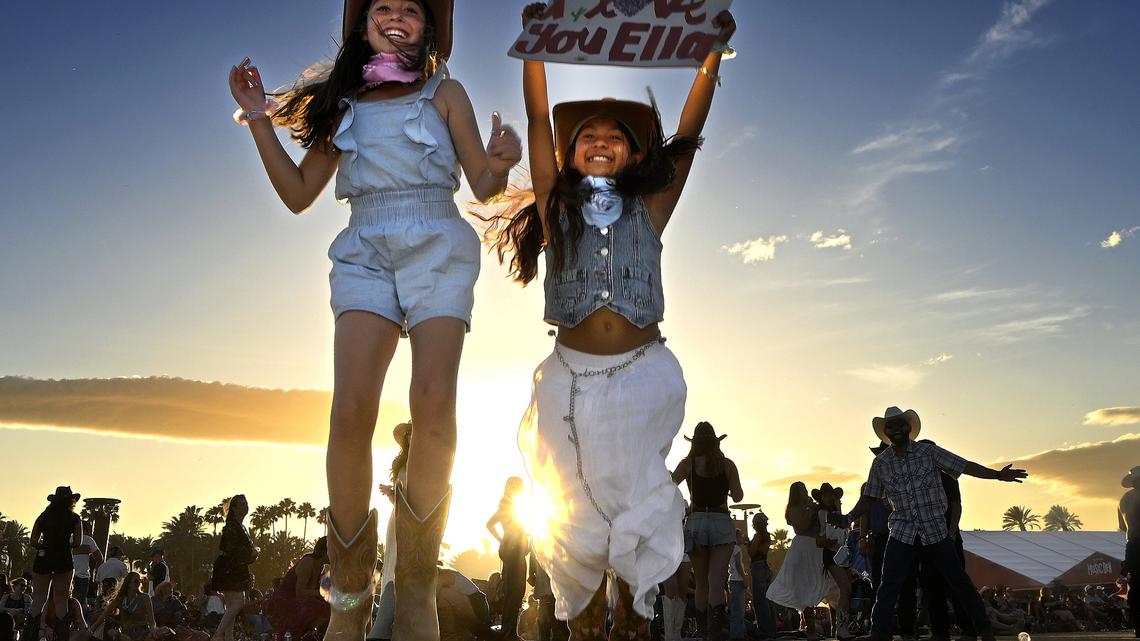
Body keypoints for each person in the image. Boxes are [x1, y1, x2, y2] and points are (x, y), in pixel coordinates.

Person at [228, 0, 522, 635]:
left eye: (410, 10)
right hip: (365, 247)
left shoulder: (447, 92)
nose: (395, 17)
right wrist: (258, 119)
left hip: (437, 242)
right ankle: (352, 600)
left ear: (430, 28)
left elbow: (483, 187)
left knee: (433, 401)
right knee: (350, 412)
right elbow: (300, 194)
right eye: (381, 7)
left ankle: (414, 588)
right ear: (360, 26)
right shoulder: (343, 102)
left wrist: (498, 162)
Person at [488, 2, 734, 637]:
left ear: (632, 155)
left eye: (615, 137)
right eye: (588, 137)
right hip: (568, 380)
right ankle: (588, 610)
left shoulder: (651, 210)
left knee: (633, 507)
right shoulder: (555, 209)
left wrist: (709, 59)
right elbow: (539, 121)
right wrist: (535, 50)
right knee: (572, 516)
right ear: (571, 156)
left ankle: (631, 609)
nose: (600, 141)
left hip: (642, 374)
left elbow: (687, 136)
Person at [832, 406, 1028, 641]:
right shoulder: (881, 464)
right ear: (886, 433)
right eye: (891, 427)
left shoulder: (928, 453)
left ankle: (984, 630)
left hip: (934, 530)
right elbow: (869, 498)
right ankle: (879, 634)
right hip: (902, 532)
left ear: (908, 428)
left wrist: (996, 475)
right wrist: (848, 518)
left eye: (900, 425)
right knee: (889, 586)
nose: (896, 430)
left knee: (959, 581)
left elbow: (963, 465)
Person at [671, 423, 743, 641]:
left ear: (694, 443)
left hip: (696, 522)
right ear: (716, 442)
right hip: (721, 521)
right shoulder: (727, 465)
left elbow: (669, 484)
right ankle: (714, 632)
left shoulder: (687, 464)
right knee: (717, 581)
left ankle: (702, 632)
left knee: (701, 582)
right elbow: (738, 496)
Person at [766, 482, 835, 641]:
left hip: (815, 548)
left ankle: (833, 626)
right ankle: (810, 629)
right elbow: (802, 524)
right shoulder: (795, 508)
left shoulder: (810, 505)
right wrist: (810, 509)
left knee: (822, 584)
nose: (805, 491)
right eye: (802, 490)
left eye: (805, 489)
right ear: (796, 493)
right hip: (802, 548)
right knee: (804, 590)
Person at [369, 423, 412, 641]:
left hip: (410, 520)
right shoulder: (404, 463)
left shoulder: (420, 463)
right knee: (394, 564)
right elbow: (401, 499)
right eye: (409, 434)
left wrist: (394, 495)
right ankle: (385, 623)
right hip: (397, 518)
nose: (410, 437)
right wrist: (391, 494)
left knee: (404, 565)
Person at [25, 487, 84, 641]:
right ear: (70, 501)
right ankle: (61, 637)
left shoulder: (44, 516)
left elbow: (33, 540)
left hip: (43, 557)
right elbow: (78, 542)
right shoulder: (74, 518)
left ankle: (29, 636)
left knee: (38, 599)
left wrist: (45, 545)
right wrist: (64, 544)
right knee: (62, 600)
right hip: (63, 558)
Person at [208, 495, 257, 641]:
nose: (245, 507)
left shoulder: (240, 527)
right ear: (234, 508)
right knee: (238, 603)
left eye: (246, 504)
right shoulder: (231, 527)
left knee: (231, 606)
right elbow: (233, 550)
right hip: (229, 568)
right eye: (241, 504)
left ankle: (228, 637)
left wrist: (252, 553)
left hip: (234, 567)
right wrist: (253, 553)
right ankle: (218, 635)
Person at [485, 477, 529, 641]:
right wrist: (502, 540)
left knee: (516, 593)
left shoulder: (514, 504)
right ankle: (508, 632)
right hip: (513, 554)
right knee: (513, 593)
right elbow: (490, 524)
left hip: (514, 553)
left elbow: (491, 525)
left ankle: (510, 631)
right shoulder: (508, 504)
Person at [812, 484, 854, 640]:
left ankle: (841, 627)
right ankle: (841, 628)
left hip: (837, 553)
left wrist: (838, 509)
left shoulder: (831, 512)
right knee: (845, 588)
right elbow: (834, 530)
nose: (829, 498)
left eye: (831, 495)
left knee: (846, 588)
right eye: (826, 495)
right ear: (821, 498)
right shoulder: (822, 513)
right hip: (830, 554)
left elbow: (843, 526)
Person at [267, 538, 331, 638]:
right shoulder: (308, 563)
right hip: (285, 602)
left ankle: (311, 634)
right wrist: (321, 593)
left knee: (330, 607)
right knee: (317, 606)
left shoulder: (321, 568)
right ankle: (300, 634)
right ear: (325, 552)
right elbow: (300, 592)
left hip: (299, 602)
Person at [86, 572, 162, 641]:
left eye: (140, 581)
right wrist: (89, 632)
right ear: (128, 583)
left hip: (143, 632)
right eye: (136, 581)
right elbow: (102, 616)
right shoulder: (120, 599)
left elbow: (152, 621)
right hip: (126, 634)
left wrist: (153, 629)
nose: (138, 583)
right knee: (112, 632)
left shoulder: (145, 598)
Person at [747, 512, 776, 640]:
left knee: (760, 601)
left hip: (758, 567)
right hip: (764, 567)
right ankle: (771, 629)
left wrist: (746, 544)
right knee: (767, 601)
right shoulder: (767, 536)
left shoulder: (758, 536)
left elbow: (752, 553)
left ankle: (765, 629)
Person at [1120, 464, 1140, 637]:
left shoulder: (1124, 499)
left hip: (1132, 544)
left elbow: (1121, 526)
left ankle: (1137, 624)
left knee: (1136, 584)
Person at [73, 522, 102, 609]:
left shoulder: (69, 539)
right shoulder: (88, 540)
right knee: (78, 604)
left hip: (68, 575)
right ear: (85, 530)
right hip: (83, 575)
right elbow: (100, 558)